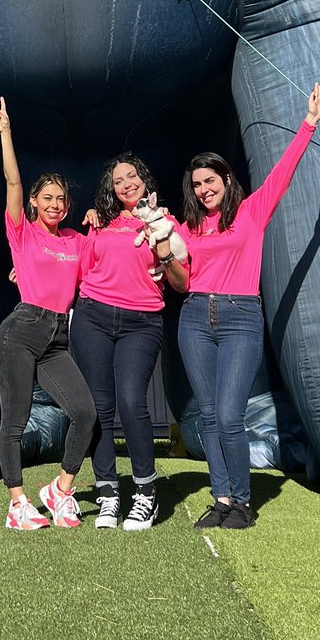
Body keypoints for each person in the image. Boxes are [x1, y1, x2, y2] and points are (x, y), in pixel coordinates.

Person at [178, 83, 320, 531]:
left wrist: (308, 124)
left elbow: (283, 172)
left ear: (226, 179)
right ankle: (221, 498)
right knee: (207, 415)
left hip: (241, 317)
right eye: (197, 184)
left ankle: (243, 502)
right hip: (193, 318)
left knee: (229, 414)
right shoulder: (187, 227)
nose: (204, 189)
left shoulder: (251, 211)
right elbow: (169, 267)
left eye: (210, 180)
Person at [0, 96, 97, 531]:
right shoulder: (23, 233)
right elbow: (13, 182)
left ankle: (61, 490)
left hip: (57, 337)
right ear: (34, 203)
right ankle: (17, 504)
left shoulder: (74, 239)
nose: (54, 204)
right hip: (21, 330)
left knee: (84, 413)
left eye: (61, 200)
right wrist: (6, 132)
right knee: (14, 421)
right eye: (46, 198)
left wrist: (97, 219)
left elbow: (101, 262)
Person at [71, 154, 187, 531]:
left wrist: (165, 248)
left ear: (143, 179)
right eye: (117, 180)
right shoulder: (101, 222)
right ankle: (107, 495)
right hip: (93, 317)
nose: (125, 183)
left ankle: (145, 494)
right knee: (99, 407)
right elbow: (83, 269)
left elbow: (181, 281)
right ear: (112, 188)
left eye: (131, 176)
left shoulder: (163, 221)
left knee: (132, 400)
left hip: (142, 320)